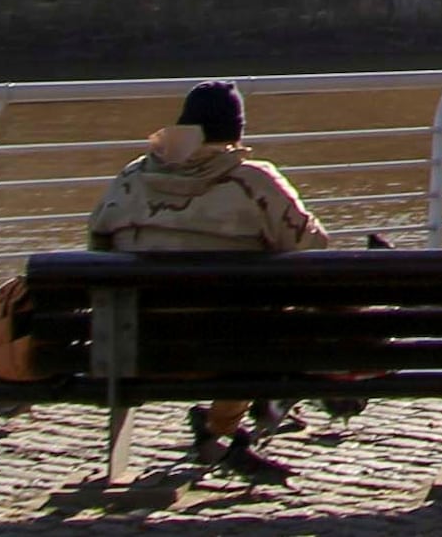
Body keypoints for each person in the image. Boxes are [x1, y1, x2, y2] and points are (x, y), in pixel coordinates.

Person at [90, 84, 327, 483]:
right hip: (236, 349)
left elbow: (97, 241)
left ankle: (221, 428)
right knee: (272, 322)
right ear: (236, 131)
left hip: (137, 350)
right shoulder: (253, 181)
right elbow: (314, 246)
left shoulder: (132, 178)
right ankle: (224, 423)